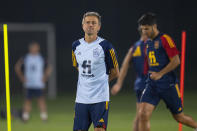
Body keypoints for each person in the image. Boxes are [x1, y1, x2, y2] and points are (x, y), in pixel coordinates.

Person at [137, 12, 197, 131]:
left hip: (168, 85)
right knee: (143, 115)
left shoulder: (165, 39)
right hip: (152, 85)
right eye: (142, 29)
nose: (144, 32)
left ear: (154, 26)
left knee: (179, 117)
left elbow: (176, 61)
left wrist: (160, 74)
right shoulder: (147, 42)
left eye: (146, 29)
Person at [72, 11, 119, 131]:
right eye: (87, 22)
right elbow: (77, 66)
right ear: (83, 25)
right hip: (81, 99)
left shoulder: (106, 46)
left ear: (99, 27)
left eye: (94, 23)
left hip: (100, 98)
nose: (90, 25)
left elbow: (115, 72)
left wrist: (101, 81)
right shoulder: (76, 46)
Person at [111, 32, 148, 131]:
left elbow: (124, 66)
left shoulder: (137, 47)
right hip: (143, 85)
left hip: (151, 84)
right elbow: (124, 66)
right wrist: (118, 84)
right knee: (142, 116)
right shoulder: (136, 48)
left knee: (140, 116)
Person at [15, 42, 52, 122]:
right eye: (34, 47)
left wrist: (45, 77)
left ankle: (44, 118)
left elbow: (49, 67)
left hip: (39, 84)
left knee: (41, 100)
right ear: (30, 48)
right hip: (29, 84)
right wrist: (22, 77)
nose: (35, 49)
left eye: (36, 47)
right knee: (27, 101)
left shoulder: (41, 58)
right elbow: (17, 67)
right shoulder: (25, 57)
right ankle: (25, 118)